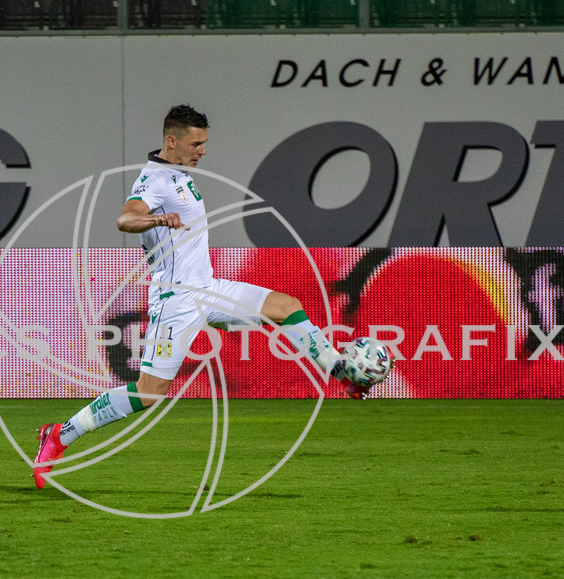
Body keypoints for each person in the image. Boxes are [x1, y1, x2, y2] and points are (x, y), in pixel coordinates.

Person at [32, 104, 372, 489]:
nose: (203, 151)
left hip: (207, 288)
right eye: (196, 143)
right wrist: (158, 219)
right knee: (149, 394)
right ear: (172, 141)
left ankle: (340, 373)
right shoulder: (155, 179)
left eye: (205, 143)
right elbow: (125, 218)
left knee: (287, 307)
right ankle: (60, 434)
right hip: (176, 300)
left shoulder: (177, 174)